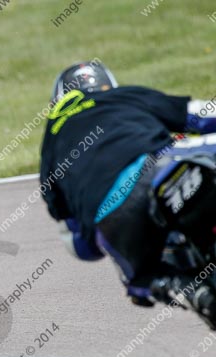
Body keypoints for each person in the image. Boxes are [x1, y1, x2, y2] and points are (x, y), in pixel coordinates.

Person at [39, 61, 216, 323]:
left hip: (113, 217)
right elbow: (203, 115)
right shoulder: (121, 96)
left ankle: (180, 287)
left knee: (138, 277)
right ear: (108, 86)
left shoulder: (50, 144)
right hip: (162, 166)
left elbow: (81, 247)